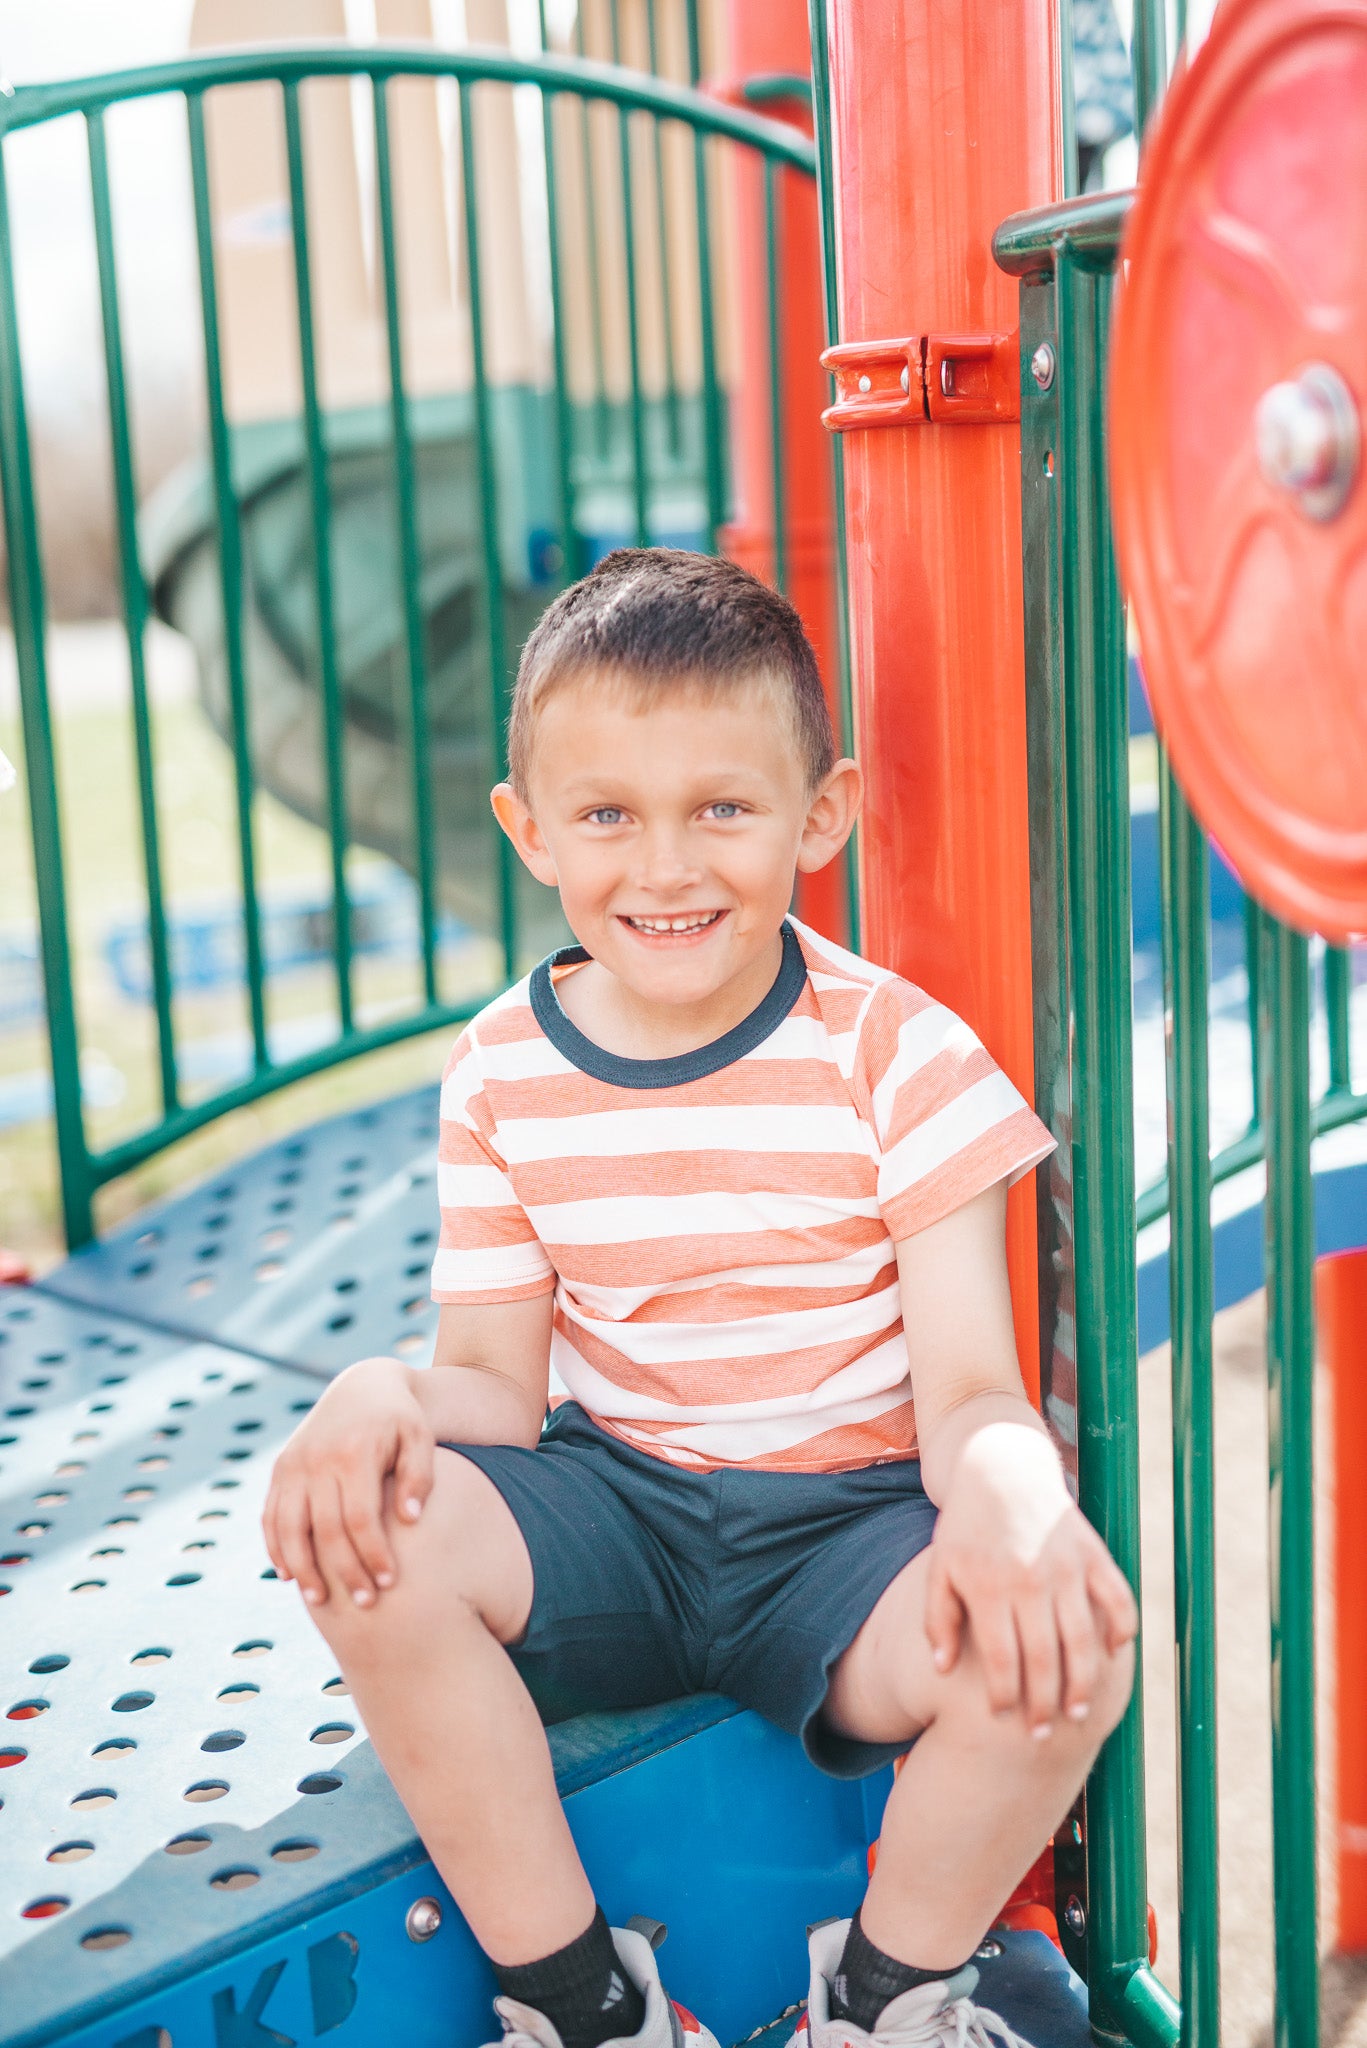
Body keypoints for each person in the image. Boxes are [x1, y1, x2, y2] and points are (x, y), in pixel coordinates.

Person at [263, 550, 1138, 2048]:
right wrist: (373, 1397)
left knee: (1077, 1641)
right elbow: (488, 1383)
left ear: (821, 815)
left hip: (846, 1538)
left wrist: (1014, 1498)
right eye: (608, 815)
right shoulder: (501, 1072)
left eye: (721, 809)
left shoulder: (900, 1056)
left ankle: (881, 1999)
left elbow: (973, 1392)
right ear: (528, 830)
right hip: (615, 1510)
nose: (665, 869)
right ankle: (583, 2004)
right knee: (370, 1541)